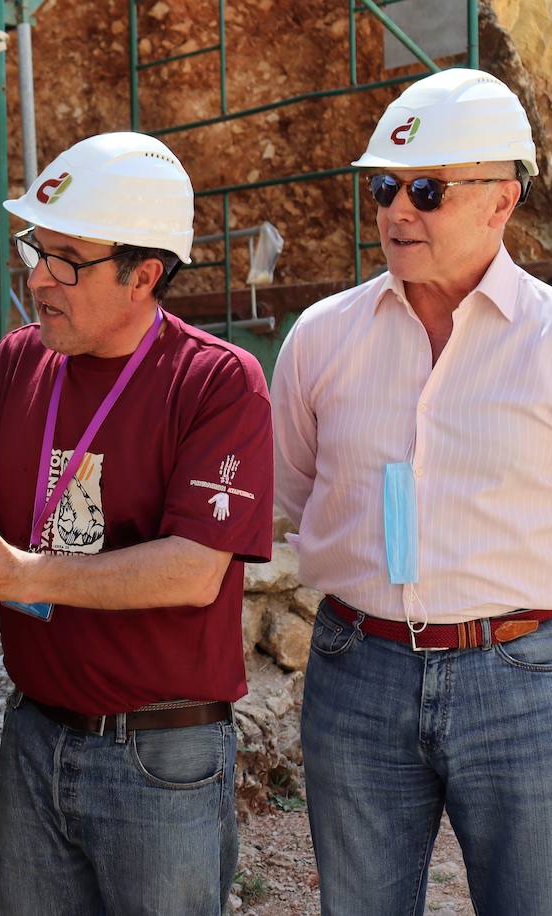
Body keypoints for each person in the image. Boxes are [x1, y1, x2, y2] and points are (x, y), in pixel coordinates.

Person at [0, 132, 274, 915]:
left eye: (70, 260)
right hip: (36, 740)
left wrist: (24, 575)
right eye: (38, 249)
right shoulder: (16, 363)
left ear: (145, 274)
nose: (39, 279)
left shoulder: (218, 382)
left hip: (163, 756)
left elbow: (195, 569)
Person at [273, 67, 551, 914]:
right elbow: (292, 490)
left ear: (501, 202)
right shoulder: (321, 339)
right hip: (356, 671)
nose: (397, 210)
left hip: (523, 680)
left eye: (426, 190)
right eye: (385, 187)